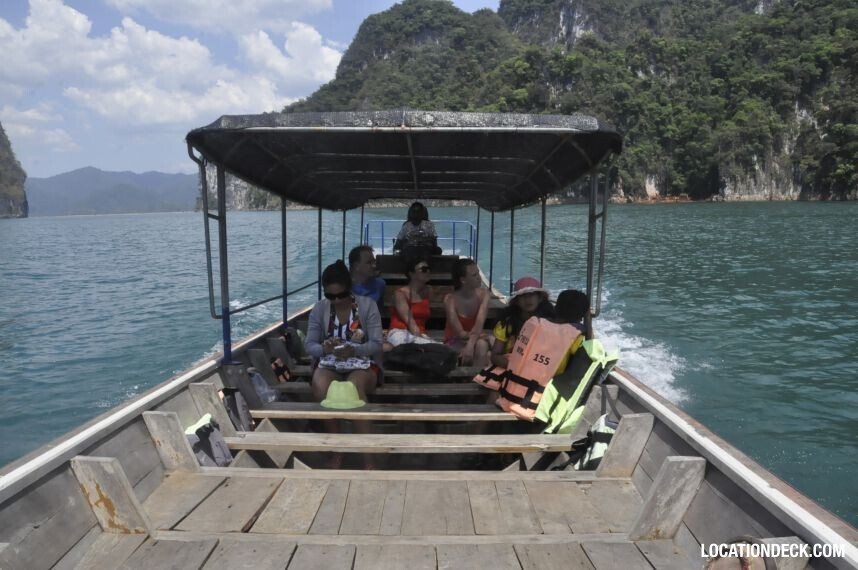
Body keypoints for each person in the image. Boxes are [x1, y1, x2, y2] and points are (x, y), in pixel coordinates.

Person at [304, 260, 383, 403]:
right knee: (322, 388)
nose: (337, 300)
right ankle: (332, 424)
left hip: (363, 363)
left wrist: (355, 350)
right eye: (331, 297)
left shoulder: (368, 306)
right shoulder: (319, 309)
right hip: (328, 363)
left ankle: (362, 424)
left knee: (353, 389)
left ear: (350, 288)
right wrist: (324, 349)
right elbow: (309, 344)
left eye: (342, 295)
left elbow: (377, 344)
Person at [489, 277, 555, 368]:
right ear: (516, 301)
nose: (528, 300)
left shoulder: (550, 323)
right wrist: (514, 366)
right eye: (523, 296)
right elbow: (495, 356)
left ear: (539, 298)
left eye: (531, 295)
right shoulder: (507, 323)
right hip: (511, 368)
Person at [444, 258, 491, 366]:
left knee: (482, 345)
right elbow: (459, 333)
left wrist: (470, 344)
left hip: (475, 338)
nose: (479, 278)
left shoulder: (484, 295)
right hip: (454, 341)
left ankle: (475, 380)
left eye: (478, 273)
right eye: (474, 275)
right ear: (463, 280)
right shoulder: (450, 299)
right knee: (483, 346)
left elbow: (479, 325)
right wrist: (478, 338)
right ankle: (471, 377)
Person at [386, 256, 438, 347]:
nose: (428, 271)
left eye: (429, 269)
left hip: (420, 335)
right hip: (399, 332)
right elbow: (412, 325)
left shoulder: (428, 291)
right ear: (411, 273)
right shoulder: (400, 294)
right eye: (424, 269)